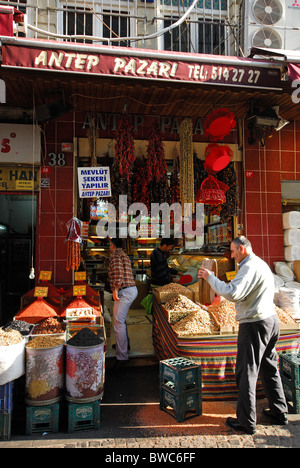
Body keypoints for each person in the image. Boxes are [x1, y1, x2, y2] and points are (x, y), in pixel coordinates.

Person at [198, 235, 288, 435]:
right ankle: (279, 411)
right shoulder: (261, 263)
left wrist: (210, 277)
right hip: (270, 320)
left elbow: (233, 293)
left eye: (233, 251)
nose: (232, 255)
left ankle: (247, 421)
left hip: (255, 323)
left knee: (246, 372)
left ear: (242, 249)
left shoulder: (249, 267)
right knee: (268, 366)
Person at [108, 237, 138, 370]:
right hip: (129, 290)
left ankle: (122, 356)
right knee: (120, 320)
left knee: (118, 322)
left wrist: (114, 290)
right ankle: (123, 345)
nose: (109, 247)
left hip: (124, 291)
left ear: (113, 245)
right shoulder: (124, 254)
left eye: (109, 244)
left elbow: (119, 274)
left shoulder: (115, 255)